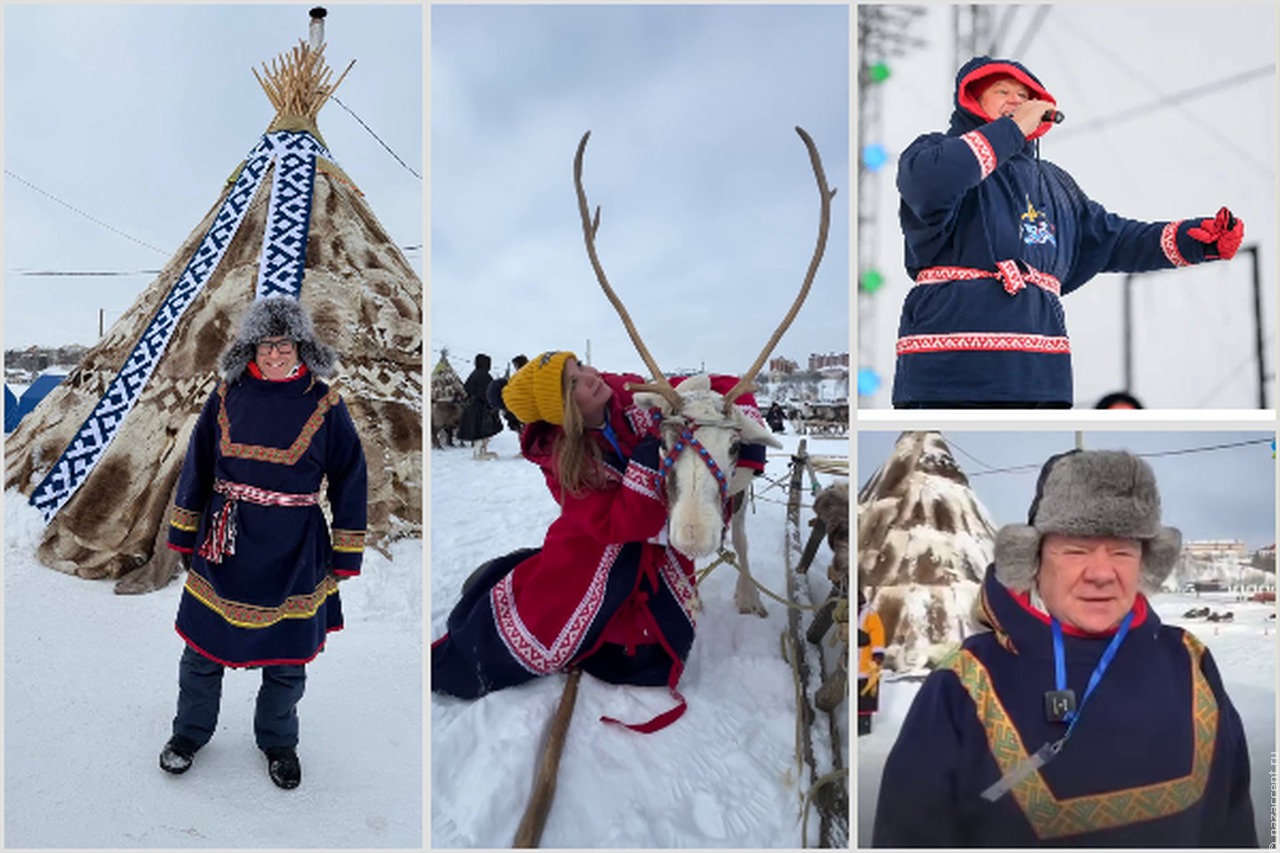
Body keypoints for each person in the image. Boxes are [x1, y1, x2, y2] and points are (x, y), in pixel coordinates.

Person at [872, 450, 1256, 846]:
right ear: (1033, 559)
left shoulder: (1190, 664)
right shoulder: (965, 684)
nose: (1102, 574)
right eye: (1077, 550)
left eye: (1122, 551)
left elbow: (1232, 824)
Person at [431, 351, 766, 732]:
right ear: (562, 411)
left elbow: (723, 385)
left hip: (654, 542)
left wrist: (739, 435)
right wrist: (645, 463)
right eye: (573, 383)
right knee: (556, 621)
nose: (590, 376)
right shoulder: (563, 458)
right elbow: (614, 525)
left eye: (581, 368)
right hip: (596, 542)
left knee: (653, 642)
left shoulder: (625, 390)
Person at [892, 56, 1245, 408]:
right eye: (1002, 91)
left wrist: (1194, 241)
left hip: (1042, 377)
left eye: (1025, 97)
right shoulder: (932, 152)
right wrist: (1010, 130)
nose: (1016, 101)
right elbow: (931, 184)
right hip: (949, 374)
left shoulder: (1055, 183)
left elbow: (1113, 239)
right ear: (972, 99)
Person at [158, 296, 368, 790]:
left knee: (287, 657)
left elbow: (350, 477)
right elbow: (198, 464)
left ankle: (279, 742)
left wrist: (344, 551)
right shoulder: (227, 394)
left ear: (302, 346)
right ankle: (189, 733)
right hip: (226, 541)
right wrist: (187, 533)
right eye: (265, 344)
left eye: (284, 343)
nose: (275, 354)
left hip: (295, 546)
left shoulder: (326, 403)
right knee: (202, 649)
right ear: (250, 346)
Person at [458, 352, 503, 459]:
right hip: (480, 409)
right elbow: (487, 393)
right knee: (481, 430)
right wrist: (492, 406)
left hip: (473, 407)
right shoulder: (483, 376)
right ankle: (479, 453)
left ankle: (480, 452)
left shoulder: (475, 374)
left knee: (478, 430)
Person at [857, 589, 885, 736]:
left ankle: (863, 726)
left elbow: (878, 633)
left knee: (865, 698)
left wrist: (877, 654)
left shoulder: (870, 613)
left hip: (866, 665)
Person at [487, 353, 529, 433]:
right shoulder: (524, 375)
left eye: (515, 365)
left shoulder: (520, 377)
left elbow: (516, 397)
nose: (515, 367)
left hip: (523, 413)